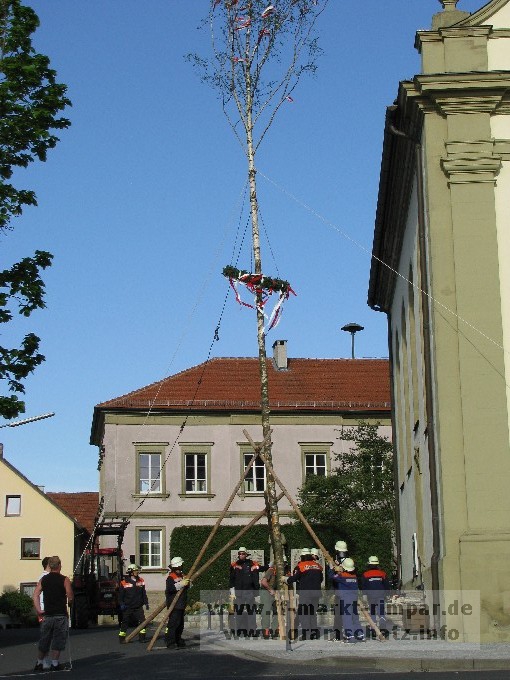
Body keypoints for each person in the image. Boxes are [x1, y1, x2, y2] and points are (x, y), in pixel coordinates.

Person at [32, 556, 73, 672]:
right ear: (59, 566)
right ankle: (54, 663)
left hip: (47, 614)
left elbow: (35, 594)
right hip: (60, 614)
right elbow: (70, 596)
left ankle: (39, 662)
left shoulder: (44, 579)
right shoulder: (64, 579)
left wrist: (39, 609)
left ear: (49, 566)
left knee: (45, 639)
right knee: (58, 639)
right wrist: (70, 602)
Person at [286, 549, 323, 640]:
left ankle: (306, 634)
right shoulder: (318, 566)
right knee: (312, 613)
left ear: (302, 557)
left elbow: (294, 578)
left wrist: (286, 579)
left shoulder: (301, 566)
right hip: (316, 593)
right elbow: (321, 579)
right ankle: (314, 633)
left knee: (304, 613)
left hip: (306, 593)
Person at [229, 547, 263, 637]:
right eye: (240, 554)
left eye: (243, 553)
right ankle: (237, 631)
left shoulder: (252, 563)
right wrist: (232, 590)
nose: (241, 555)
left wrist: (257, 567)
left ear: (246, 554)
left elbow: (262, 568)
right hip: (239, 592)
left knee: (251, 611)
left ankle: (252, 631)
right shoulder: (234, 565)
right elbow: (231, 579)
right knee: (238, 611)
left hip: (249, 591)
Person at [328, 557, 364, 643]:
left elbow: (332, 577)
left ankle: (350, 636)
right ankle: (360, 635)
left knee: (347, 618)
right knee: (355, 617)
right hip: (354, 599)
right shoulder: (354, 576)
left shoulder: (342, 576)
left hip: (345, 599)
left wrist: (331, 569)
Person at [118, 564, 149, 643]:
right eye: (135, 571)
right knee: (125, 622)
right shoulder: (124, 582)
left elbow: (143, 593)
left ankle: (142, 638)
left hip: (138, 606)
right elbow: (121, 595)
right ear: (131, 572)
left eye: (137, 570)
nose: (137, 572)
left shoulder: (141, 580)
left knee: (143, 622)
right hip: (128, 606)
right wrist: (121, 603)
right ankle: (122, 638)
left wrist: (146, 602)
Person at [165, 557, 190, 649]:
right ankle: (170, 642)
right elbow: (170, 589)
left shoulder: (183, 575)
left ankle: (178, 640)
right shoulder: (170, 577)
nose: (180, 568)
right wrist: (181, 584)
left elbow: (187, 587)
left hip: (181, 603)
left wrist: (188, 583)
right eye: (179, 567)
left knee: (180, 624)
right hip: (174, 604)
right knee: (173, 624)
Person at [361, 556, 390, 629]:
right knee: (381, 611)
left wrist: (364, 595)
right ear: (377, 564)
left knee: (372, 611)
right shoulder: (382, 574)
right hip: (381, 595)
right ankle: (383, 626)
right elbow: (386, 585)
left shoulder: (365, 574)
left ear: (369, 564)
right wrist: (387, 594)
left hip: (371, 596)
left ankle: (373, 628)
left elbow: (364, 586)